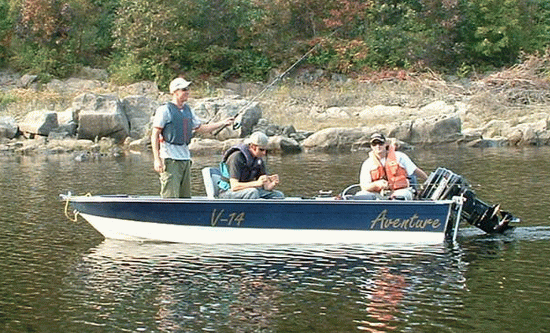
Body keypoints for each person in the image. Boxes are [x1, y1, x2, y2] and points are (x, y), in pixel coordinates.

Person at [151, 77, 233, 198]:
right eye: (184, 89)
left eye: (188, 89)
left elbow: (201, 128)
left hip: (185, 159)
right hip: (169, 159)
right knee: (170, 196)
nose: (187, 92)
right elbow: (155, 135)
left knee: (185, 197)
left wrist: (223, 123)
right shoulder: (164, 110)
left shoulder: (188, 110)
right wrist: (157, 159)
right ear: (175, 92)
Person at [357, 133, 428, 200]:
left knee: (399, 197)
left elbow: (415, 171)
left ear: (385, 144)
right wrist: (376, 184)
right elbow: (364, 187)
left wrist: (428, 181)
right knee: (360, 195)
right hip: (378, 194)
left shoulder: (400, 157)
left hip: (401, 191)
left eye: (380, 143)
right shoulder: (367, 163)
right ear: (371, 146)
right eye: (374, 144)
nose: (378, 146)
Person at [218, 131, 284, 199]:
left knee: (278, 195)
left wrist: (271, 184)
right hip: (228, 191)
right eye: (261, 149)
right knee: (253, 192)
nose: (264, 153)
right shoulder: (237, 157)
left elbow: (265, 187)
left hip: (247, 190)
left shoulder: (258, 160)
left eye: (266, 150)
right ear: (253, 146)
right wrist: (257, 183)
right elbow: (234, 186)